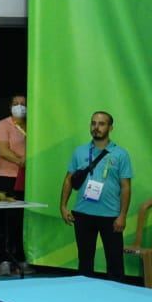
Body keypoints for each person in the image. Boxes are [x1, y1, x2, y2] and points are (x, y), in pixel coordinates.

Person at [60, 110, 132, 280]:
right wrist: (63, 206)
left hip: (111, 216)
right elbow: (68, 180)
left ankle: (116, 299)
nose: (96, 127)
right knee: (85, 262)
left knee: (115, 262)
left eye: (101, 124)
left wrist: (122, 215)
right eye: (93, 123)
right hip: (83, 214)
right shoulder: (80, 151)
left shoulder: (120, 154)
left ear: (110, 128)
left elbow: (126, 187)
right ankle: (85, 299)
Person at [0, 94, 29, 274]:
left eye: (23, 104)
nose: (19, 106)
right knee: (6, 219)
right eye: (16, 104)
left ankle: (20, 258)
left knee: (21, 220)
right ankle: (4, 259)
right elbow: (3, 151)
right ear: (10, 106)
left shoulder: (32, 125)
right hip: (7, 177)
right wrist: (22, 161)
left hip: (28, 178)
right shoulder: (2, 125)